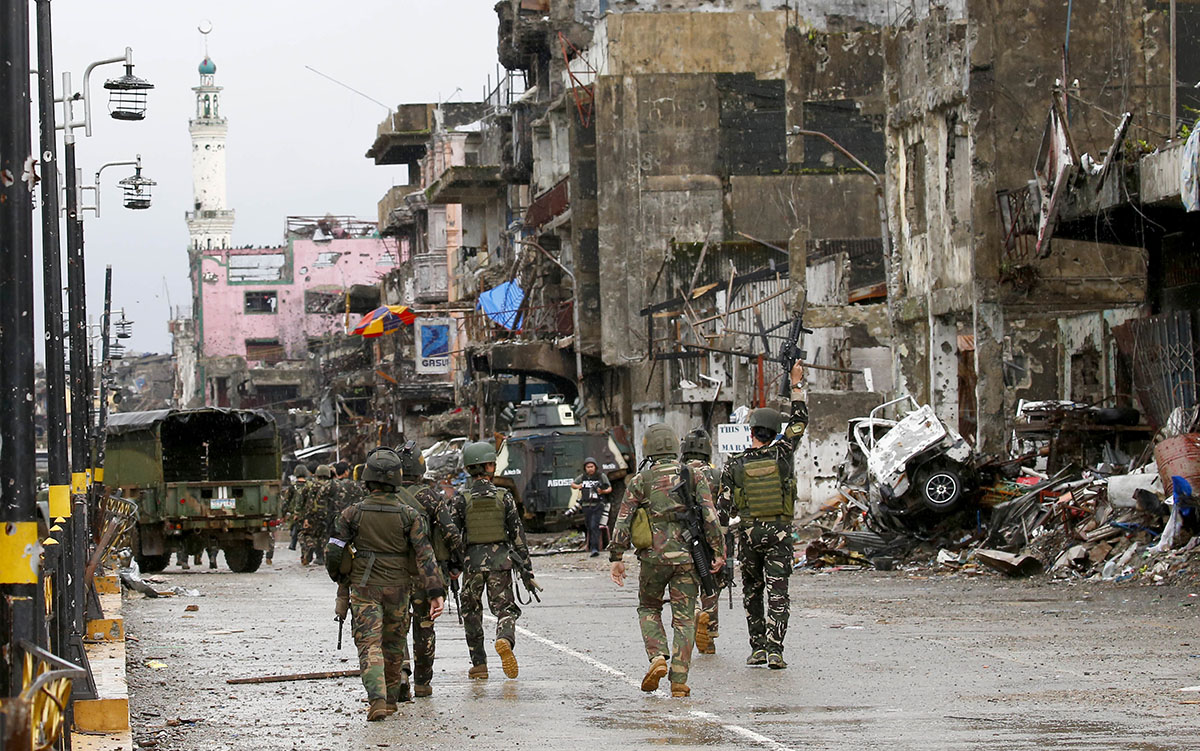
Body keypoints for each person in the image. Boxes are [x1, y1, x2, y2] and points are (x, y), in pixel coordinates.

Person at [325, 448, 446, 721]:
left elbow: (333, 551)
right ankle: (390, 699)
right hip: (399, 588)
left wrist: (340, 578)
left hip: (364, 587)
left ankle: (377, 699)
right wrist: (435, 592)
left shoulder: (351, 514)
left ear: (367, 478)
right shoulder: (409, 515)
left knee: (369, 643)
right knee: (393, 644)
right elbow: (425, 555)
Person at [609, 423, 724, 698]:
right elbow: (710, 516)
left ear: (648, 448)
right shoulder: (694, 475)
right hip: (688, 558)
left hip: (652, 559)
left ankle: (658, 656)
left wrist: (617, 556)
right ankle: (679, 681)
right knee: (684, 619)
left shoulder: (641, 480)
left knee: (648, 607)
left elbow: (623, 520)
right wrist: (718, 551)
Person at [720, 363, 807, 670]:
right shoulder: (783, 452)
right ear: (773, 432)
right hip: (780, 535)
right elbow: (799, 421)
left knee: (752, 591)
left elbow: (723, 511)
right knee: (778, 593)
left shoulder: (735, 464)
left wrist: (721, 549)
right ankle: (775, 651)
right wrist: (796, 384)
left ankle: (757, 648)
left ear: (751, 431)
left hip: (749, 536)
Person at [440, 440, 533, 680]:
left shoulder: (461, 499)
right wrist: (526, 568)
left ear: (468, 468)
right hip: (501, 563)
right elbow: (518, 535)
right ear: (490, 466)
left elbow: (452, 535)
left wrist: (453, 566)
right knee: (505, 609)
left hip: (472, 564)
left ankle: (479, 664)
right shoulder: (504, 497)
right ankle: (504, 639)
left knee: (471, 612)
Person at [393, 442, 455, 697]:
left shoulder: (386, 496)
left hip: (393, 574)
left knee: (396, 626)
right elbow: (451, 533)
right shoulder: (431, 497)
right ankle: (422, 683)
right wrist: (455, 565)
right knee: (425, 627)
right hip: (426, 574)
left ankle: (401, 671)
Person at [680, 428, 726, 655]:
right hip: (710, 537)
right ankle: (709, 633)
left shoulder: (678, 473)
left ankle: (694, 616)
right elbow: (726, 510)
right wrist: (721, 546)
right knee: (712, 585)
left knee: (686, 584)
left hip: (682, 538)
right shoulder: (716, 475)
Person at [570, 456, 613, 557]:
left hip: (598, 504)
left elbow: (609, 488)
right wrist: (579, 486)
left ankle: (595, 548)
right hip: (586, 505)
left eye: (592, 467)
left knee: (594, 525)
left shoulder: (601, 476)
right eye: (588, 467)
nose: (590, 469)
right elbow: (573, 484)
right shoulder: (583, 477)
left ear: (595, 467)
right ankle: (590, 546)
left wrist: (602, 491)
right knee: (589, 526)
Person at [300, 465, 333, 566]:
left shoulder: (310, 486)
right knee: (324, 536)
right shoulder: (331, 486)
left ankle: (309, 546)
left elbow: (304, 502)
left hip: (313, 515)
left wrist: (305, 517)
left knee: (306, 534)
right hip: (327, 515)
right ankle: (321, 557)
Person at [285, 464, 311, 551]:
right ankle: (305, 553)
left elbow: (286, 501)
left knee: (296, 532)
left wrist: (283, 514)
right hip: (307, 514)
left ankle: (299, 547)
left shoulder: (292, 487)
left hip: (295, 515)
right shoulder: (310, 486)